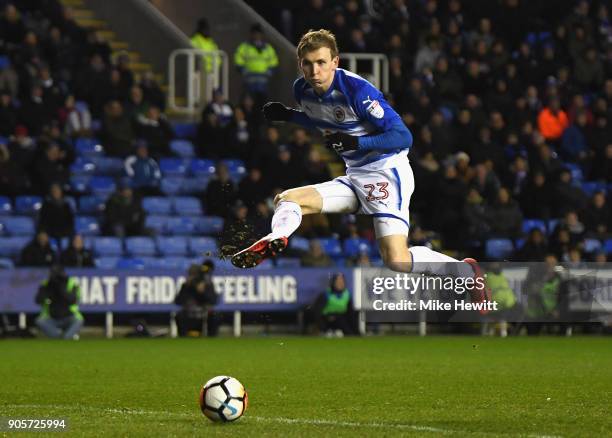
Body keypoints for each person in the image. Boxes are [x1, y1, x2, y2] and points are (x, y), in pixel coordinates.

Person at [231, 30, 489, 309]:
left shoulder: (357, 90)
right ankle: (276, 236)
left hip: (386, 173)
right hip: (355, 176)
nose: (314, 70)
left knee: (397, 261)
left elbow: (403, 137)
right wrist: (290, 116)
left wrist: (358, 142)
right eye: (307, 63)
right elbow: (323, 119)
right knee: (288, 199)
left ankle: (466, 273)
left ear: (335, 62)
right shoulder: (302, 90)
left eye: (320, 62)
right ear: (300, 64)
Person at [234, 24, 279, 107]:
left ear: (261, 35)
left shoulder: (268, 48)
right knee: (247, 106)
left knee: (263, 107)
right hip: (249, 84)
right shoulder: (245, 47)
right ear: (251, 34)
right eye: (255, 33)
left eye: (258, 33)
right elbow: (238, 60)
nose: (256, 36)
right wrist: (243, 70)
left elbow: (274, 61)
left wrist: (269, 71)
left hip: (263, 84)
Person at [35, 264, 83, 339]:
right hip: (52, 316)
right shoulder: (46, 284)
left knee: (78, 320)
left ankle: (67, 337)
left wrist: (61, 288)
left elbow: (73, 300)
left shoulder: (71, 283)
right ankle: (58, 335)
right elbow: (38, 300)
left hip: (69, 315)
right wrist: (49, 290)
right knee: (40, 321)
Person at [174, 261, 218, 337]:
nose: (192, 277)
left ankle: (211, 337)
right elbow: (178, 301)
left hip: (203, 311)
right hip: (188, 313)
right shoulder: (186, 285)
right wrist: (186, 288)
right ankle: (183, 337)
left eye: (194, 274)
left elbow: (213, 301)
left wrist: (203, 292)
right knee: (179, 315)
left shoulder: (207, 284)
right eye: (191, 274)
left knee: (215, 315)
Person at [313, 272, 353, 337]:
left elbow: (351, 312)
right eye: (338, 281)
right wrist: (323, 328)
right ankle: (326, 331)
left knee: (347, 319)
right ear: (333, 283)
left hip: (342, 318)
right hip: (327, 318)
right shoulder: (326, 294)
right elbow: (317, 311)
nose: (340, 284)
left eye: (342, 281)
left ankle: (351, 334)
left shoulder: (347, 294)